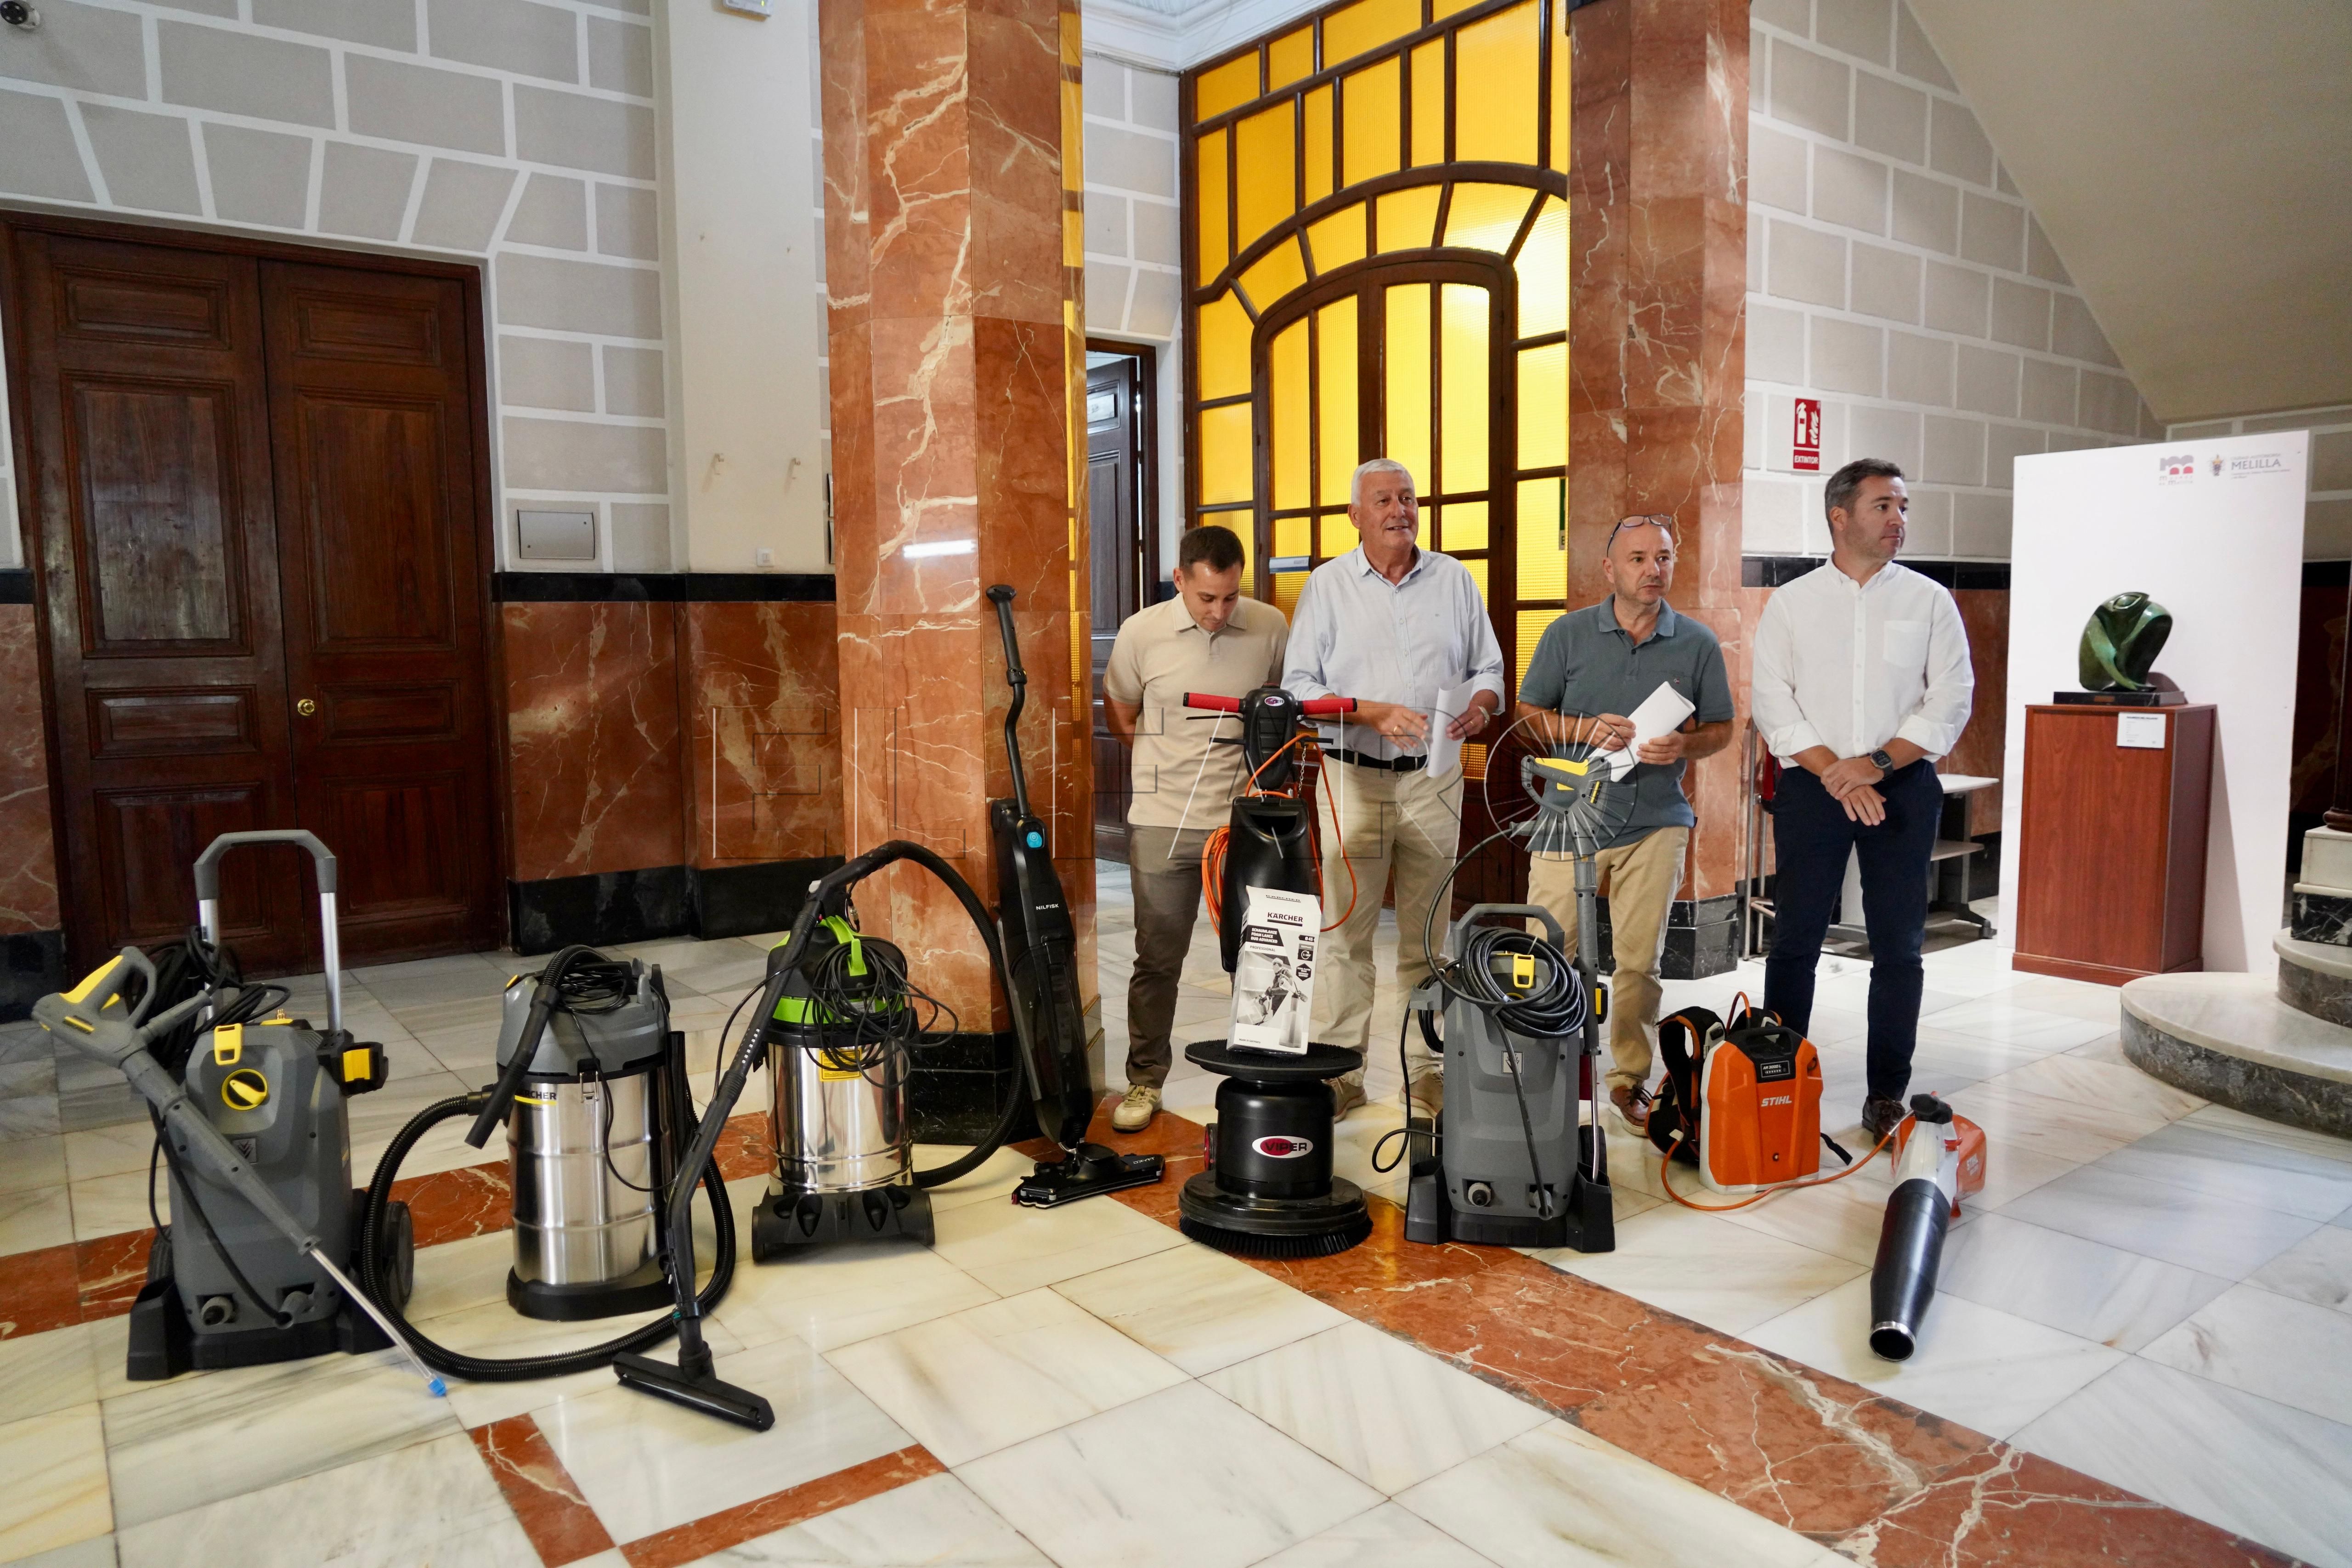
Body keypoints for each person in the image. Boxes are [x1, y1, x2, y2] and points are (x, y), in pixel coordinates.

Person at [1751, 458, 1973, 1143]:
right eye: (1883, 506)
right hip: (1813, 787)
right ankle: (1780, 1078)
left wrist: (1873, 766)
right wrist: (1838, 773)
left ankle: (1885, 1093)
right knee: (1796, 939)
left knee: (1899, 946)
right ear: (1839, 516)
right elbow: (1772, 700)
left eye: (1903, 507)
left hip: (1900, 785)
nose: (1898, 520)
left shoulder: (1930, 600)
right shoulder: (1792, 603)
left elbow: (1951, 699)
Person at [1283, 458, 1504, 1120]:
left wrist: (1483, 707)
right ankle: (1341, 1071)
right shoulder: (1327, 586)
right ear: (1355, 515)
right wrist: (1369, 712)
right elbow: (1299, 688)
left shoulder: (1454, 579)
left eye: (1407, 498)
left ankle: (1427, 1070)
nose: (1399, 510)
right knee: (1345, 935)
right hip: (1352, 776)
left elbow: (1489, 667)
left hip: (1435, 778)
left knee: (1428, 938)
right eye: (1382, 500)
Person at [1515, 515, 1734, 1130]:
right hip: (1569, 814)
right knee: (1547, 947)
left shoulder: (1697, 643)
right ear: (1609, 568)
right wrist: (1585, 730)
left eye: (1662, 557)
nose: (1652, 570)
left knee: (1639, 962)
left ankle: (1629, 1079)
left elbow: (1720, 728)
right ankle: (1537, 1064)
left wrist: (1684, 745)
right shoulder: (1567, 634)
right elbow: (1527, 715)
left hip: (1657, 820)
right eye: (1638, 558)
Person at [1101, 523, 1289, 1132]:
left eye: (1230, 597)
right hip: (1163, 822)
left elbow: (1279, 709)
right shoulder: (1141, 632)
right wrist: (1160, 768)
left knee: (1260, 955)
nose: (1219, 611)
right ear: (1179, 579)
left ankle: (1264, 1075)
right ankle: (1145, 1079)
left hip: (1242, 823)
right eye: (1207, 597)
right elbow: (1120, 709)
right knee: (1158, 957)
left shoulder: (1269, 626)